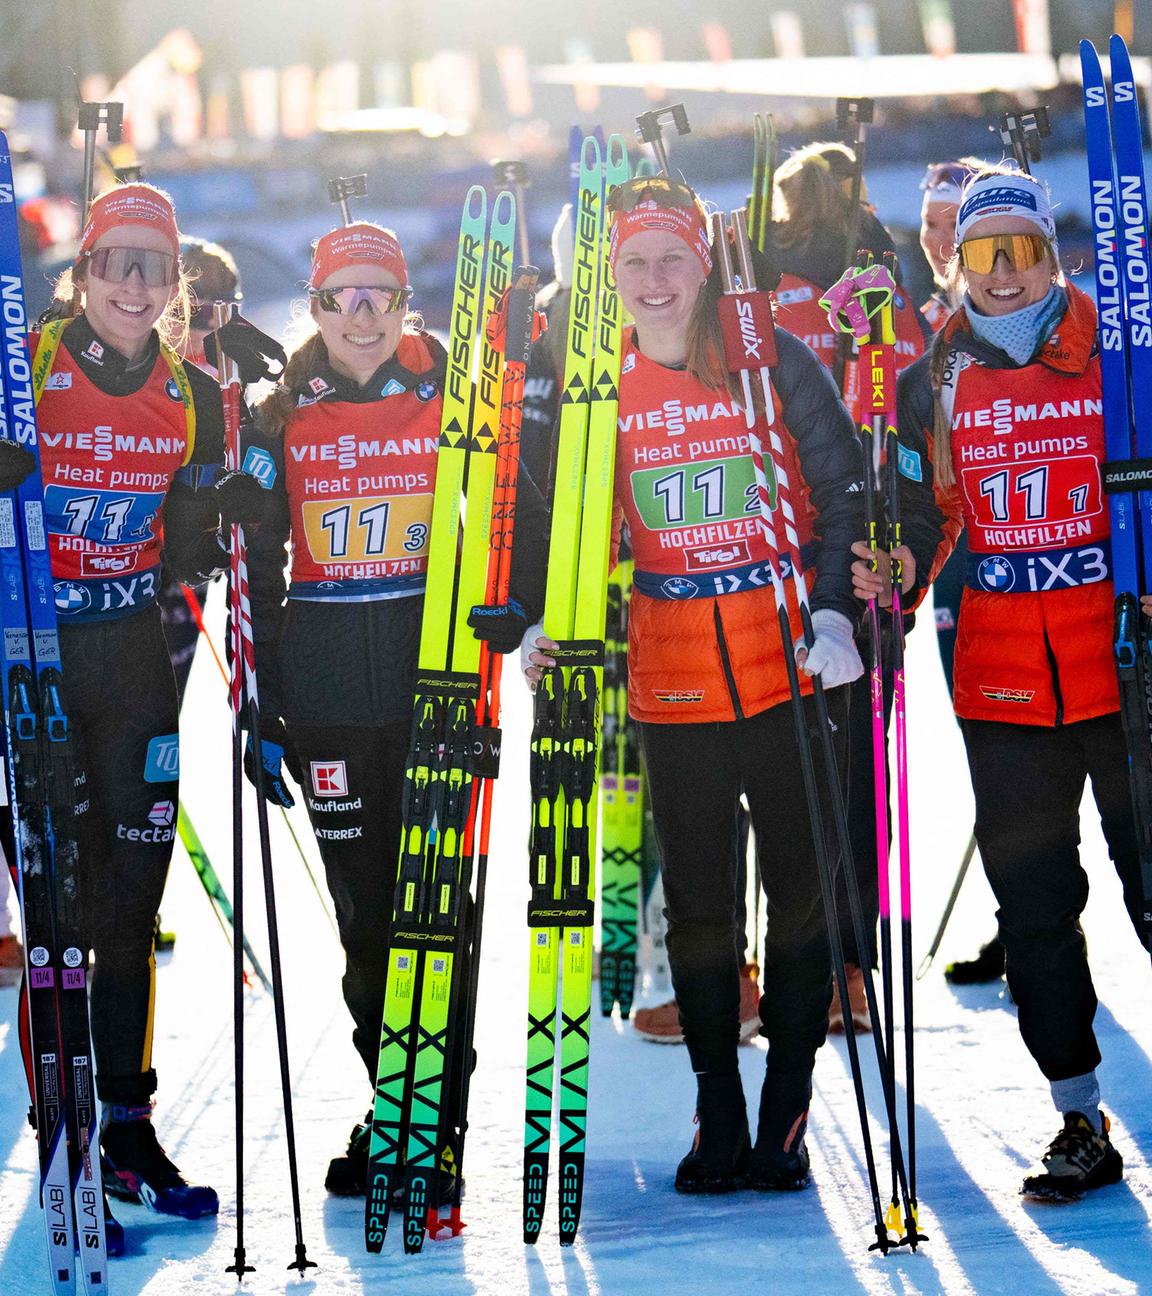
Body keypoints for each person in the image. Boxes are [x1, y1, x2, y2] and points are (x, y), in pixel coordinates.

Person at [524, 176, 866, 1193]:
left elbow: (842, 486)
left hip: (790, 668)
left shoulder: (768, 363)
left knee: (801, 898)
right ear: (610, 280)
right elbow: (564, 520)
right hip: (674, 681)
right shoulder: (604, 384)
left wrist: (840, 612)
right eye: (633, 266)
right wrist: (551, 616)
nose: (655, 281)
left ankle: (788, 1106)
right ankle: (719, 1103)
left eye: (672, 259)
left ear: (706, 262)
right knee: (703, 911)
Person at [245, 221, 546, 1197]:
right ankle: (395, 1108)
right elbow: (256, 568)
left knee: (434, 917)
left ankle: (435, 1126)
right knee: (363, 923)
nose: (364, 316)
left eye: (382, 295)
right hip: (326, 704)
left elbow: (526, 507)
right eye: (344, 297)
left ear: (406, 303)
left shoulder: (456, 390)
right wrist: (264, 702)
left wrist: (518, 602)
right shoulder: (281, 411)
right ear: (319, 308)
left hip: (437, 691)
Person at [869, 165, 1146, 1200]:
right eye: (979, 255)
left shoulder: (1119, 356)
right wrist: (894, 577)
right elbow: (926, 517)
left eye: (1019, 250)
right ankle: (1078, 1117)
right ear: (954, 264)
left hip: (1122, 669)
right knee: (1035, 912)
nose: (1001, 273)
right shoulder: (930, 381)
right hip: (1003, 687)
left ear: (1052, 254)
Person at [20, 183, 267, 1221]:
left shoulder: (193, 394)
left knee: (133, 899)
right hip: (38, 652)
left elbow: (187, 544)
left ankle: (127, 1118)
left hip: (133, 655)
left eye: (153, 267)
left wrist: (222, 516)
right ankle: (60, 1126)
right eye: (114, 262)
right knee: (57, 903)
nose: (133, 283)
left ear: (175, 284)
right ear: (82, 275)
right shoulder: (23, 366)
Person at [770, 140, 929, 1033]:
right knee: (859, 772)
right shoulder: (871, 266)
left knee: (795, 770)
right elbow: (897, 396)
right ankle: (847, 966)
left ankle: (818, 963)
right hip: (856, 529)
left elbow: (894, 389)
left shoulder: (781, 267)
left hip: (790, 529)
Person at [918, 161, 1006, 986]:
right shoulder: (917, 321)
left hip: (1019, 549)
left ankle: (1044, 913)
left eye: (956, 220)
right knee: (985, 737)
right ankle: (1024, 913)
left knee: (1045, 744)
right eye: (932, 224)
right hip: (953, 559)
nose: (942, 238)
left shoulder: (1007, 315)